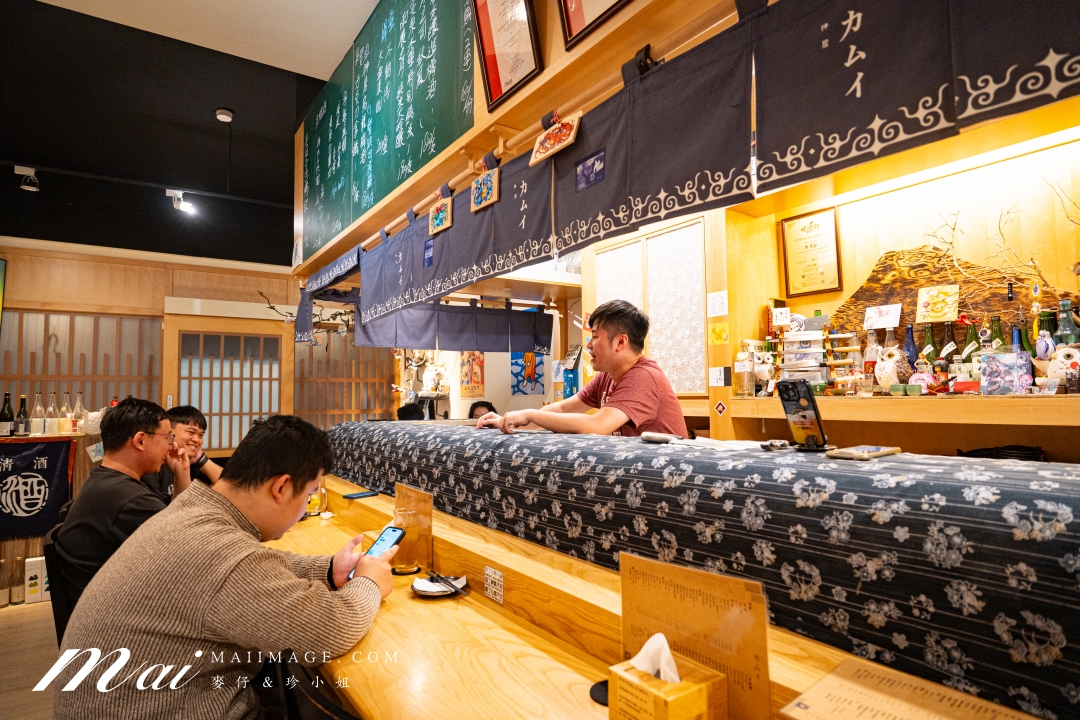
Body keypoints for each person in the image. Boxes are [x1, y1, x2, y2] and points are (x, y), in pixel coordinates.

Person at [50, 415, 397, 720]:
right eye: (309, 494)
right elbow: (329, 630)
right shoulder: (225, 554)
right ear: (281, 487)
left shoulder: (197, 510)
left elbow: (255, 565)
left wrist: (328, 569)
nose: (306, 506)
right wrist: (368, 582)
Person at [477, 300, 688, 437]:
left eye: (595, 337)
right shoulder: (607, 376)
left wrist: (530, 414)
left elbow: (597, 425)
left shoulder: (644, 376)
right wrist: (508, 421)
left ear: (621, 342)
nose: (588, 344)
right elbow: (562, 409)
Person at [54, 398, 190, 608]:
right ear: (140, 441)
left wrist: (181, 474)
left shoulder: (106, 480)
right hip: (113, 620)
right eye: (167, 437)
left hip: (103, 606)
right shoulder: (130, 500)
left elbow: (176, 527)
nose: (172, 445)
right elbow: (187, 546)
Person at [141, 405, 223, 502]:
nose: (197, 440)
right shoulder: (155, 464)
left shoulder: (194, 464)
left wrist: (202, 460)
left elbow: (232, 490)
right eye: (191, 432)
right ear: (170, 432)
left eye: (201, 435)